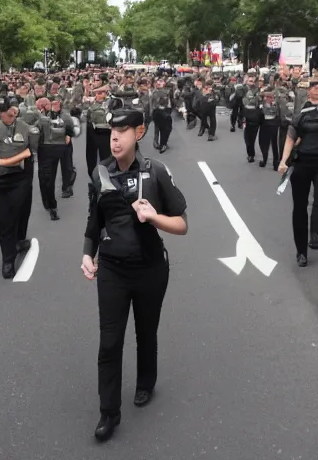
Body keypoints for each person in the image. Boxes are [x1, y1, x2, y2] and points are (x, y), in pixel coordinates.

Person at [81, 108, 187, 442]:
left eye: (122, 131)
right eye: (111, 131)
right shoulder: (100, 173)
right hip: (112, 269)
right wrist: (87, 253)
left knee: (146, 332)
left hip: (150, 269)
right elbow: (93, 222)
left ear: (138, 133)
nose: (114, 137)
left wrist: (154, 217)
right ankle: (108, 412)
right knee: (109, 342)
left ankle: (146, 382)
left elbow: (182, 224)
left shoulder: (155, 171)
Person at [279, 76, 318, 267]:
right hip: (302, 163)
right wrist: (283, 161)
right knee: (300, 207)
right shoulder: (300, 112)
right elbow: (291, 137)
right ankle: (301, 252)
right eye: (314, 86)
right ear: (307, 90)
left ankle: (316, 233)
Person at [0, 96, 38, 279]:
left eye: (14, 111)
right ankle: (8, 260)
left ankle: (18, 241)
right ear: (1, 113)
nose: (11, 114)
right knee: (5, 219)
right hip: (1, 179)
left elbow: (32, 151)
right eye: (7, 112)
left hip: (21, 178)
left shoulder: (24, 127)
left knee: (21, 212)